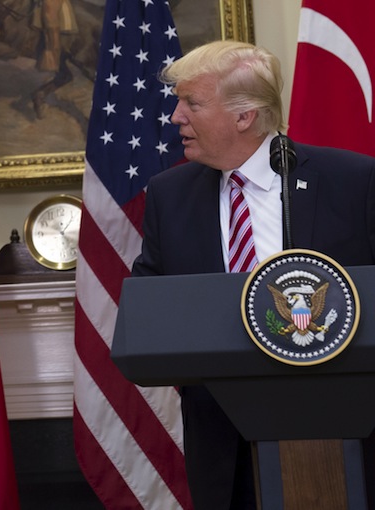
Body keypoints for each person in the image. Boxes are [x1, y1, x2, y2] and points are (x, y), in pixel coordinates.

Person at [131, 40, 375, 508]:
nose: (176, 116)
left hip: (343, 435)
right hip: (224, 443)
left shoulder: (352, 182)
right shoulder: (169, 194)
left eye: (192, 103)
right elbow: (149, 311)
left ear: (245, 116)